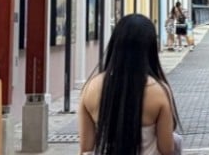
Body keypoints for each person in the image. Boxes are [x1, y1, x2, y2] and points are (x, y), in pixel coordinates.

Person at [78, 14, 182, 155]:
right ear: (150, 48)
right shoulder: (159, 91)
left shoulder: (91, 88)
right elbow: (166, 149)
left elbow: (86, 148)